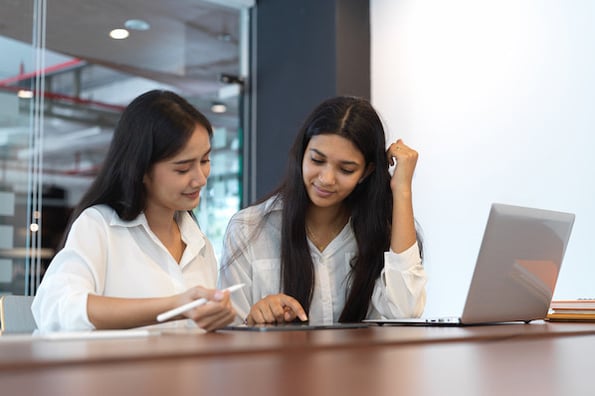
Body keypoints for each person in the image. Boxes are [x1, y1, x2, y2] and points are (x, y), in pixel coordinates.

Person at [32, 90, 236, 332]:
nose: (200, 179)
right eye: (183, 169)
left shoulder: (199, 243)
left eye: (204, 161)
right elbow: (57, 308)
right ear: (141, 169)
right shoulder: (99, 226)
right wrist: (173, 306)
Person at [218, 96, 427, 325]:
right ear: (302, 154)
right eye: (317, 160)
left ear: (366, 173)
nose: (326, 179)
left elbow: (406, 311)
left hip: (363, 362)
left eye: (346, 169)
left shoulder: (383, 231)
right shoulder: (248, 229)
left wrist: (402, 190)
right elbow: (228, 332)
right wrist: (255, 319)